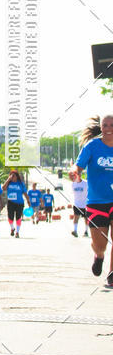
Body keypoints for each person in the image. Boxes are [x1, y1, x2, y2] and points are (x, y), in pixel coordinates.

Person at [72, 114, 113, 286]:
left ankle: (111, 273)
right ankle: (99, 256)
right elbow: (78, 166)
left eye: (112, 125)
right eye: (105, 125)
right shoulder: (92, 146)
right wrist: (75, 173)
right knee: (100, 244)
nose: (109, 128)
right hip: (96, 201)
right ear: (101, 128)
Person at [3, 170, 27, 238]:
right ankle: (12, 228)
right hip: (11, 202)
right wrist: (8, 180)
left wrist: (28, 201)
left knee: (18, 217)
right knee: (10, 217)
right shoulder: (9, 183)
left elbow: (25, 192)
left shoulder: (20, 183)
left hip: (19, 203)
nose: (12, 177)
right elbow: (3, 188)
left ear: (17, 176)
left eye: (14, 176)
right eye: (11, 176)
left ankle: (17, 232)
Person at [69, 170, 88, 237]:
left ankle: (86, 231)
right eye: (76, 174)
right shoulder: (73, 184)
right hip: (76, 204)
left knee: (86, 218)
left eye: (79, 174)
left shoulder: (85, 183)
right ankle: (75, 231)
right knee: (76, 217)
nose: (78, 176)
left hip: (85, 204)